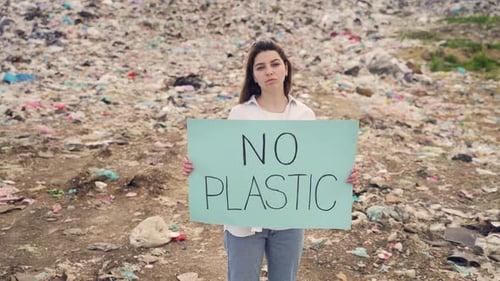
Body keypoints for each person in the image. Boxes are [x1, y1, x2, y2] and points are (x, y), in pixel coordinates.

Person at [183, 39, 359, 281]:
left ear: (286, 68)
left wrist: (341, 175)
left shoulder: (304, 115)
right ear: (253, 76)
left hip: (288, 221)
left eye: (275, 64)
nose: (269, 71)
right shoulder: (240, 114)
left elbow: (313, 166)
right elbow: (228, 161)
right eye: (260, 67)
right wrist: (199, 167)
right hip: (244, 222)